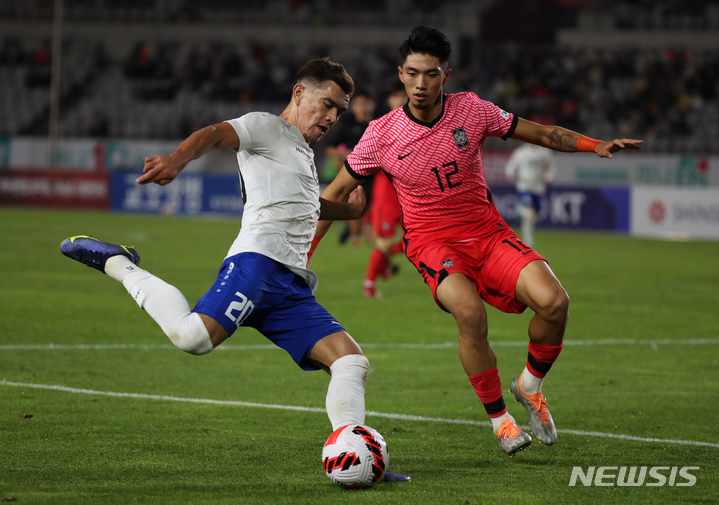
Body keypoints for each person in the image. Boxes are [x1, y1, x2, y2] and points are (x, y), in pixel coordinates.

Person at [59, 57, 409, 483]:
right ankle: (118, 262)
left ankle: (359, 455)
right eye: (327, 103)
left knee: (352, 363)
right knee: (192, 338)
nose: (332, 116)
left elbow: (306, 205)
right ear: (299, 94)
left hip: (290, 286)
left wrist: (347, 211)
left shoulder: (300, 150)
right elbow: (214, 134)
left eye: (339, 109)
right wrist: (177, 159)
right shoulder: (267, 127)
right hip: (257, 264)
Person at [311, 27, 643, 456]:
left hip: (488, 233)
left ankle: (530, 386)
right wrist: (307, 254)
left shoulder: (472, 111)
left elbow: (541, 134)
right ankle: (500, 420)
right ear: (401, 74)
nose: (421, 83)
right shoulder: (381, 134)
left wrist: (593, 144)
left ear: (445, 76)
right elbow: (333, 195)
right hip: (432, 243)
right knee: (469, 312)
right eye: (412, 73)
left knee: (555, 302)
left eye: (431, 74)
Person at [362, 83, 407, 299]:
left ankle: (385, 265)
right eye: (395, 96)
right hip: (386, 192)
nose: (400, 100)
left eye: (403, 96)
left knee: (415, 238)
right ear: (389, 100)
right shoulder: (382, 126)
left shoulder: (418, 124)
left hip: (407, 192)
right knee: (385, 242)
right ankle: (369, 283)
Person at [323, 90, 377, 246]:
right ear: (353, 107)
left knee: (372, 206)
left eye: (366, 103)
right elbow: (330, 148)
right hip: (352, 174)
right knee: (354, 205)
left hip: (375, 175)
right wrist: (345, 154)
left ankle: (363, 233)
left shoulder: (378, 125)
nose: (363, 108)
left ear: (372, 105)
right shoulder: (347, 126)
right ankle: (355, 238)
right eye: (360, 104)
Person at [504, 143, 558, 248]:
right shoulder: (520, 152)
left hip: (538, 187)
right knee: (528, 213)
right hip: (524, 186)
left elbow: (552, 164)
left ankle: (519, 210)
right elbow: (510, 166)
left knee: (536, 215)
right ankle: (528, 240)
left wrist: (549, 176)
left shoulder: (544, 152)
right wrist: (511, 174)